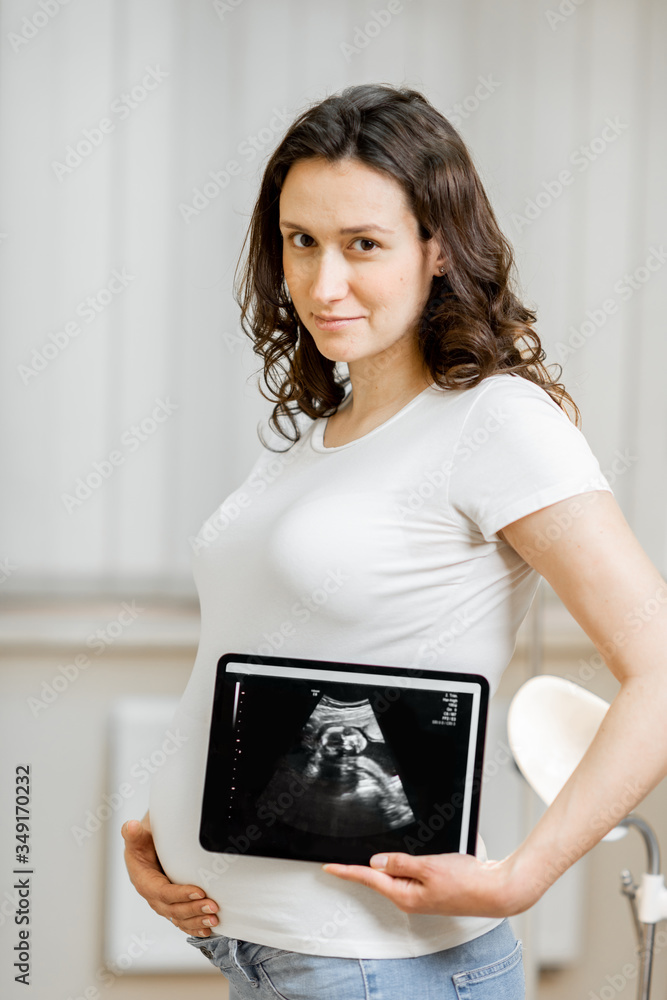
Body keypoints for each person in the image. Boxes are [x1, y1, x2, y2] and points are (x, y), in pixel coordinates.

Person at [121, 83, 667, 999]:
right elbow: (276, 653)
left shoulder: (495, 423)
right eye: (301, 242)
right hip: (256, 945)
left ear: (437, 248)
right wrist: (168, 826)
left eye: (362, 245)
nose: (322, 283)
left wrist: (522, 876)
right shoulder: (315, 436)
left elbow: (658, 667)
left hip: (374, 965)